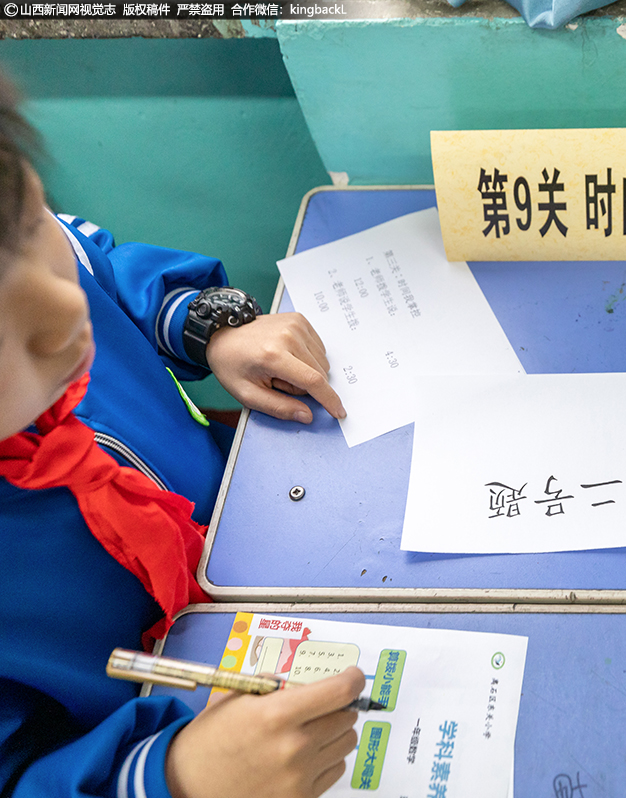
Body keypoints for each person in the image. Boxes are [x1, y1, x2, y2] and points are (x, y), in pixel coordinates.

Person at [0, 75, 367, 798]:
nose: (64, 310)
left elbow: (95, 262)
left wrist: (208, 324)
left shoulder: (47, 281)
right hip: (171, 726)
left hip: (261, 531)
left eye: (27, 219)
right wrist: (170, 778)